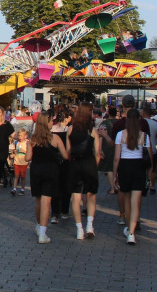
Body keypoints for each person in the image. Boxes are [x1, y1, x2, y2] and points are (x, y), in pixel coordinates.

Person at [29, 113, 68, 244]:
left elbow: (27, 158)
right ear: (47, 123)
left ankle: (39, 226)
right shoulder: (55, 138)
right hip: (51, 171)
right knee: (46, 202)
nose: (53, 123)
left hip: (36, 171)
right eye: (52, 121)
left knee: (38, 201)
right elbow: (65, 155)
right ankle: (43, 233)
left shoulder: (33, 139)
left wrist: (30, 147)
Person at [114, 108, 150, 245]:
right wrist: (149, 175)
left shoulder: (120, 135)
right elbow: (149, 157)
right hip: (139, 167)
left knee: (127, 200)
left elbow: (117, 157)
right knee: (136, 202)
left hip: (124, 166)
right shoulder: (144, 136)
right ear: (139, 120)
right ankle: (132, 232)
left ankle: (129, 228)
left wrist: (115, 173)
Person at [67, 103, 101, 240]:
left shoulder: (70, 129)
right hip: (89, 164)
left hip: (75, 165)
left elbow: (69, 151)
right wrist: (95, 165)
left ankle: (79, 229)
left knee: (76, 198)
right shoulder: (92, 130)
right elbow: (97, 153)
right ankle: (90, 225)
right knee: (91, 195)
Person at [141, 104, 157, 194]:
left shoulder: (140, 123)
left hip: (141, 150)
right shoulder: (156, 124)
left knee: (142, 169)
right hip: (152, 150)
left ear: (143, 113)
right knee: (152, 169)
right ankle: (152, 186)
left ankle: (142, 185)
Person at [98, 105, 118, 194]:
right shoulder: (120, 123)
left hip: (107, 148)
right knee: (117, 167)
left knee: (110, 168)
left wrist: (100, 149)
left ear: (108, 113)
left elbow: (100, 136)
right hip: (118, 147)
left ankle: (113, 188)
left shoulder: (104, 123)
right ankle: (117, 185)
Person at [10, 128, 30, 195]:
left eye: (21, 136)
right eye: (19, 136)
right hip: (17, 162)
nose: (20, 137)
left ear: (25, 136)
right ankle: (14, 188)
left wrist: (23, 151)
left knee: (23, 177)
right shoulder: (17, 142)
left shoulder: (27, 142)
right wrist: (14, 152)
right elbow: (15, 151)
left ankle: (22, 189)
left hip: (24, 162)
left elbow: (29, 152)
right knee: (16, 176)